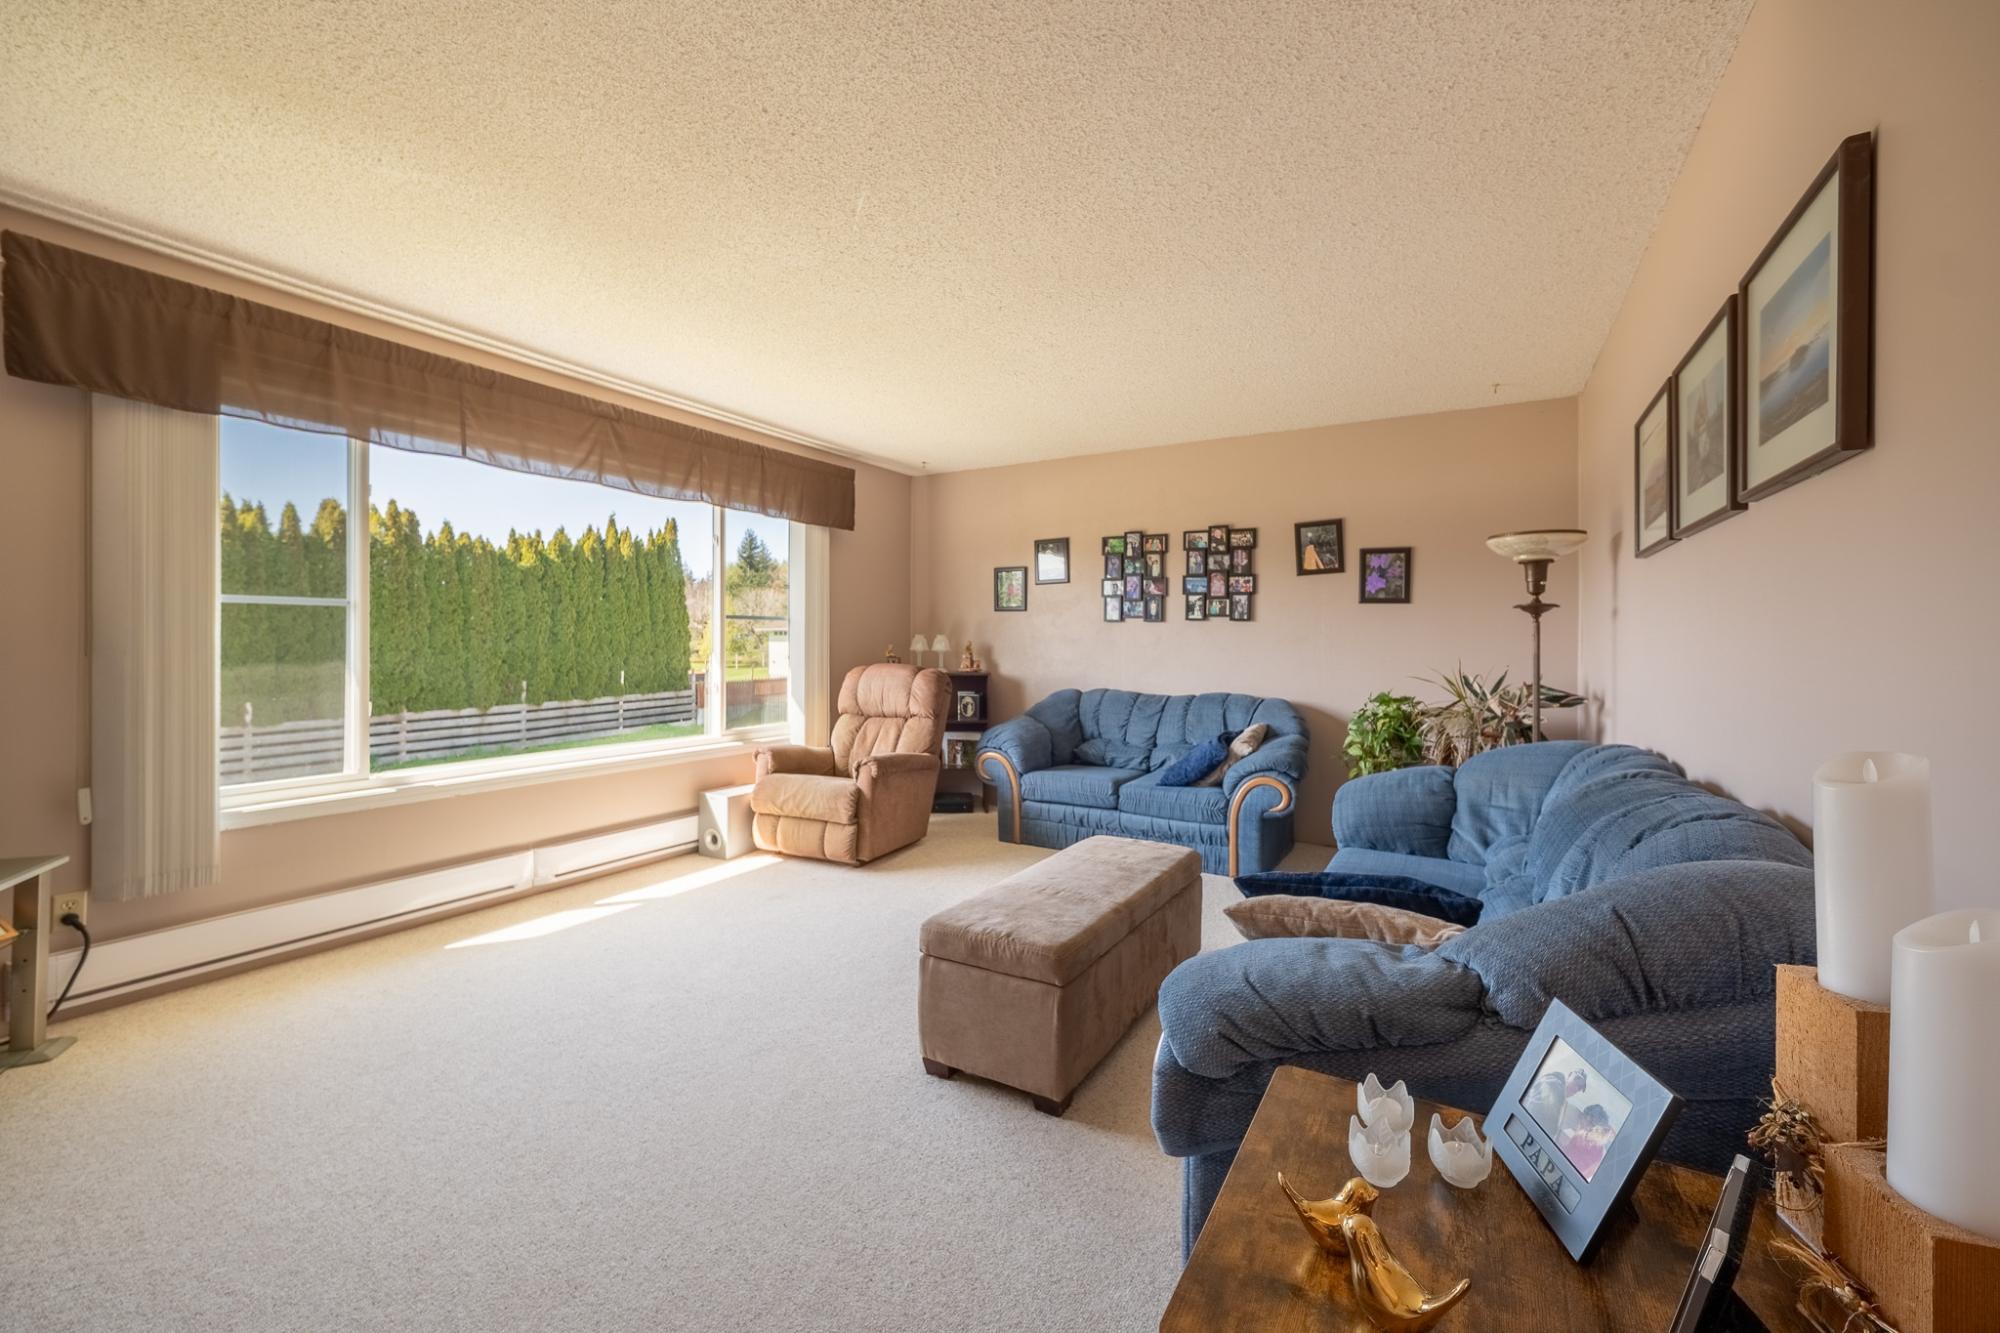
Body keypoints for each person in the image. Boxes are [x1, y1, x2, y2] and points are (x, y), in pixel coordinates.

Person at [1523, 1066, 1588, 1137]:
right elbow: (1533, 1110)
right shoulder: (1554, 1084)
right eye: (1576, 1080)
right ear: (1569, 1075)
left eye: (1579, 1087)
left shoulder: (1562, 1100)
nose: (1576, 1088)